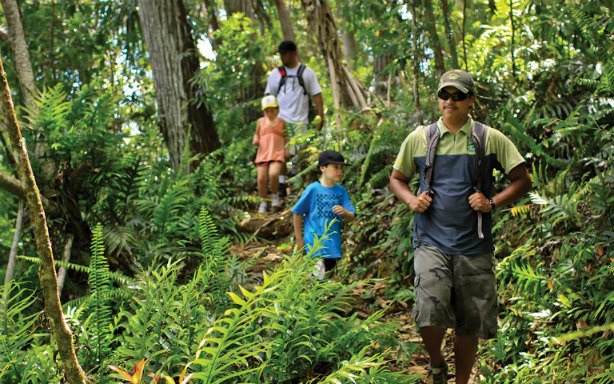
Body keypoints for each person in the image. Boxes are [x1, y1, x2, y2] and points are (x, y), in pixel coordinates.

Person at [389, 70, 531, 384]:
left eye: (457, 95)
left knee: (470, 322)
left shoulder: (488, 137)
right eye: (444, 95)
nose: (449, 101)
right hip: (431, 240)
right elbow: (397, 178)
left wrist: (491, 202)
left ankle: (462, 381)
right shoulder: (421, 138)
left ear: (471, 100)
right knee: (429, 309)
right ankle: (437, 363)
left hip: (474, 244)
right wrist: (412, 200)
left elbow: (522, 179)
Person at [266, 40, 325, 196]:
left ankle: (298, 190)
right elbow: (268, 98)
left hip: (301, 123)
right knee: (280, 157)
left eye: (284, 54)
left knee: (299, 157)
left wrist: (321, 117)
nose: (282, 57)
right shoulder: (275, 75)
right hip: (280, 122)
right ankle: (281, 187)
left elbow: (317, 95)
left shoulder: (306, 73)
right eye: (280, 54)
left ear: (293, 53)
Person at [292, 150, 356, 280]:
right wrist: (300, 240)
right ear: (323, 168)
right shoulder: (313, 189)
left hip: (332, 244)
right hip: (314, 243)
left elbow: (352, 215)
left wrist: (345, 212)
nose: (340, 171)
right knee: (316, 275)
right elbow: (297, 212)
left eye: (341, 168)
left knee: (324, 274)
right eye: (336, 167)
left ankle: (311, 294)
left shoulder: (341, 191)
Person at [253, 95, 288, 213]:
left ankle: (274, 196)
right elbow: (256, 134)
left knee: (274, 174)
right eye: (267, 111)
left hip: (277, 152)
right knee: (261, 178)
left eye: (272, 110)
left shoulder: (282, 122)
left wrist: (287, 150)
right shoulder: (260, 122)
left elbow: (287, 137)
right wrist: (256, 139)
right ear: (263, 111)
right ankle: (263, 202)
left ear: (277, 110)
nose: (270, 113)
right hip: (263, 152)